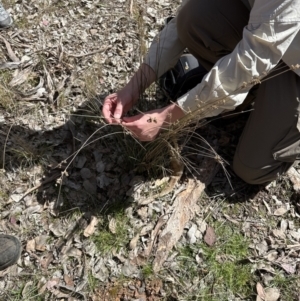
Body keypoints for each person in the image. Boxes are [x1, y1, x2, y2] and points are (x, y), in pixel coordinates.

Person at [103, 0, 300, 185]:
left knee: (252, 168)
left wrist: (164, 118)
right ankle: (244, 94)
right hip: (267, 33)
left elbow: (250, 63)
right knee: (194, 17)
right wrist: (135, 86)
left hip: (294, 70)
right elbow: (184, 15)